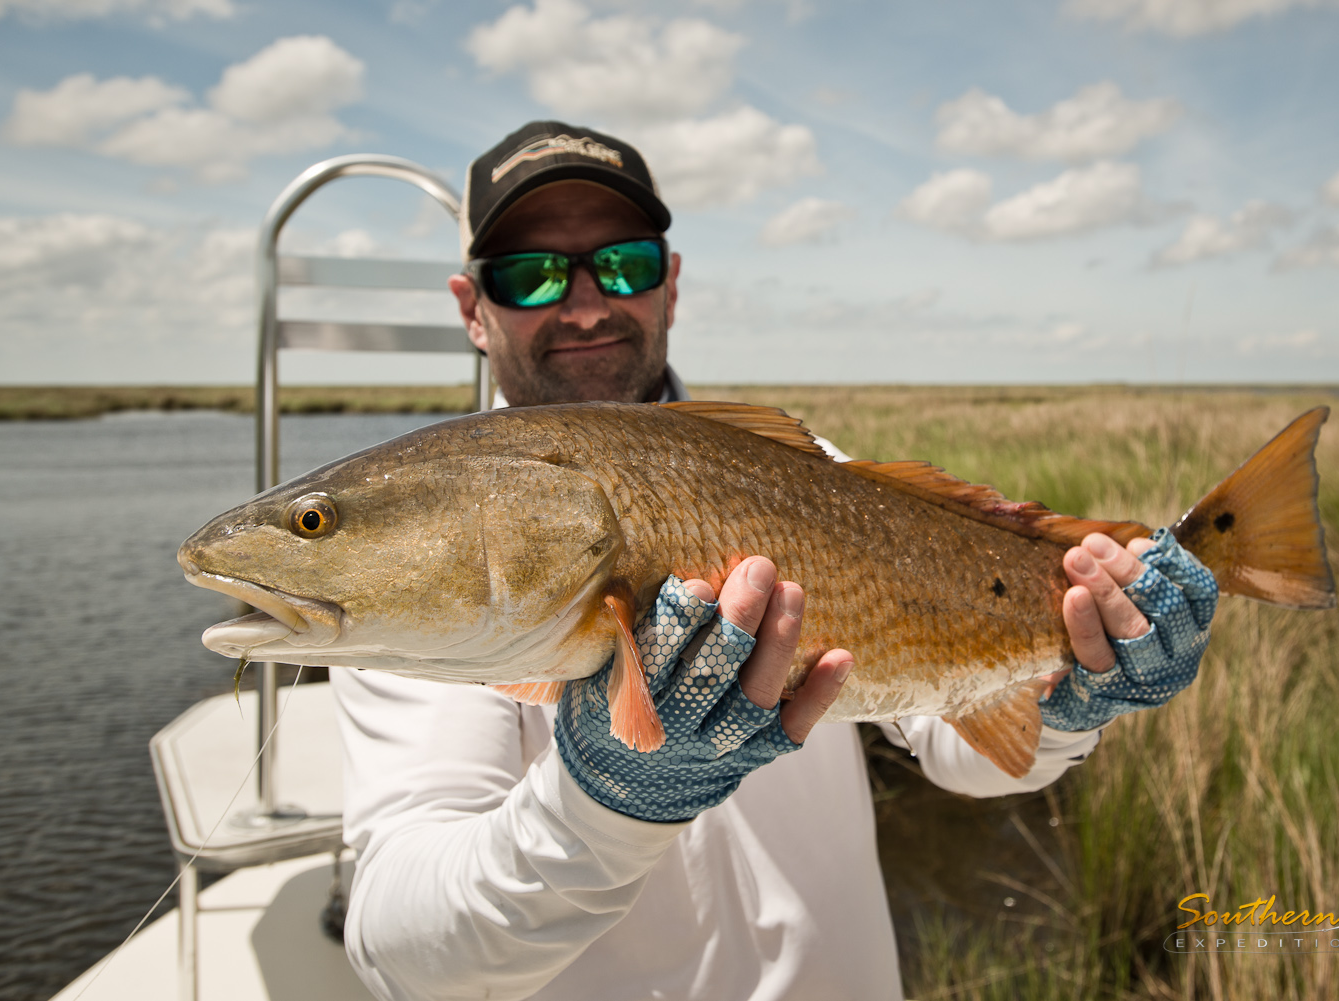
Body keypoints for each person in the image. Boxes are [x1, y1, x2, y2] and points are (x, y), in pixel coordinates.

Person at [330, 121, 1217, 1001]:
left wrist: (1070, 699)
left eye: (627, 263)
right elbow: (403, 951)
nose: (589, 303)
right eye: (531, 275)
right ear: (470, 309)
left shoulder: (805, 468)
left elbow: (967, 753)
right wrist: (606, 800)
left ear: (670, 284)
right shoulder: (411, 572)